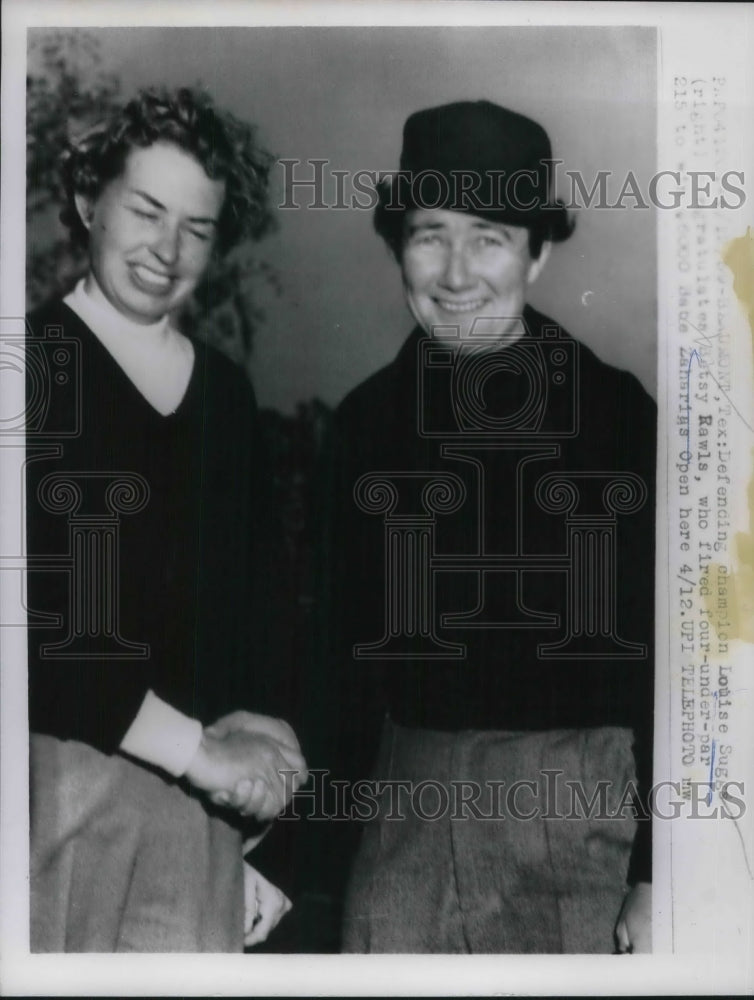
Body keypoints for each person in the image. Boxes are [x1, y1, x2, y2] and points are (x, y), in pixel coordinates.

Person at [320, 100, 655, 954]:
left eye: (490, 235)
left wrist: (657, 872)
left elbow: (678, 663)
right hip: (403, 820)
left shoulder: (615, 415)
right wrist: (299, 856)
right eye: (430, 232)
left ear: (538, 253)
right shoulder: (363, 424)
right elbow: (335, 664)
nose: (456, 271)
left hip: (579, 827)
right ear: (397, 243)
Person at [26, 87, 307, 952]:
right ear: (86, 202)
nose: (167, 248)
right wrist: (200, 752)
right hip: (54, 794)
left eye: (197, 226)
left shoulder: (227, 393)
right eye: (146, 210)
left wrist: (268, 736)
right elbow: (42, 632)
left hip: (202, 811)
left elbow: (258, 606)